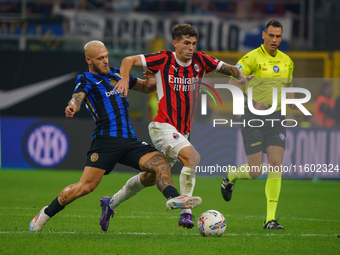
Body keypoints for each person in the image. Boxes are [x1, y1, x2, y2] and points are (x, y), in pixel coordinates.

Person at [29, 40, 202, 232]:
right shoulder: (86, 79)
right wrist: (73, 105)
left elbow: (145, 87)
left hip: (129, 140)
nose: (105, 61)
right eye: (100, 58)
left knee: (161, 163)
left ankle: (173, 198)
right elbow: (77, 96)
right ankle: (44, 214)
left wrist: (152, 82)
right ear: (89, 60)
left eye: (106, 56)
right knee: (85, 187)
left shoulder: (117, 73)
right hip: (105, 142)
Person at [101, 24, 252, 230]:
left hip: (182, 131)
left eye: (193, 44)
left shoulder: (201, 61)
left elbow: (231, 68)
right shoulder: (164, 59)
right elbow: (129, 60)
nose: (191, 48)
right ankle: (186, 213)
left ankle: (110, 203)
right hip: (162, 125)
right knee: (193, 157)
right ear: (175, 43)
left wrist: (241, 77)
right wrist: (125, 79)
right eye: (186, 43)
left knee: (150, 177)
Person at [221, 19, 297, 230]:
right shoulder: (250, 58)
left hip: (276, 118)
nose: (274, 40)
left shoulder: (287, 61)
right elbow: (231, 85)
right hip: (252, 117)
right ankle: (231, 176)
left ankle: (270, 219)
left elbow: (288, 88)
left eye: (278, 36)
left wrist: (295, 106)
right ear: (263, 35)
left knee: (276, 164)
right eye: (271, 35)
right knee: (255, 171)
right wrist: (253, 102)